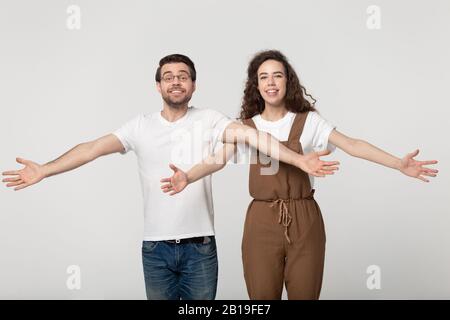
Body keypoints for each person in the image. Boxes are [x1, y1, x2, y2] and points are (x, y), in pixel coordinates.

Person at [2, 53, 339, 300]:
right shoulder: (139, 126)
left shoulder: (210, 119)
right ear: (158, 84)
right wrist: (44, 170)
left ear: (193, 84)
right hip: (155, 248)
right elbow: (91, 149)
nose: (175, 81)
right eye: (168, 76)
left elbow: (255, 138)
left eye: (183, 75)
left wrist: (299, 160)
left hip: (200, 246)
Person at [159, 50, 439, 300]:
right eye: (264, 77)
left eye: (277, 76)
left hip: (305, 218)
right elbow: (217, 160)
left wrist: (397, 164)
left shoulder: (309, 121)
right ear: (256, 86)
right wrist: (189, 176)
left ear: (287, 81)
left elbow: (352, 145)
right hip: (261, 219)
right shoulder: (246, 127)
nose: (271, 82)